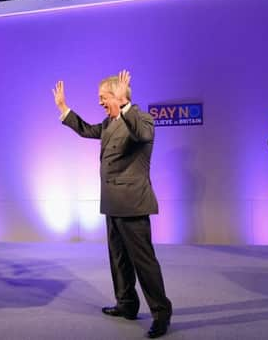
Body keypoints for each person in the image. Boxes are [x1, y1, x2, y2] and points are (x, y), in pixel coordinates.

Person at [52, 70, 172, 338]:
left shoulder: (141, 117)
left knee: (144, 262)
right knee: (118, 259)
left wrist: (124, 106)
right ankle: (127, 304)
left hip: (133, 204)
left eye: (103, 97)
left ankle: (161, 314)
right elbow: (86, 130)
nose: (100, 103)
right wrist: (63, 108)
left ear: (119, 96)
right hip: (112, 203)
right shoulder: (108, 124)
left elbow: (141, 135)